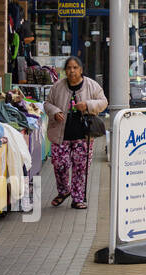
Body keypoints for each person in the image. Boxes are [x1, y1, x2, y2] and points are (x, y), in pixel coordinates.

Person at [44, 56, 108, 209]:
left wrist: (87, 104)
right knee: (60, 165)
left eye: (75, 68)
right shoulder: (57, 86)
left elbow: (103, 102)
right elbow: (47, 103)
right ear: (65, 71)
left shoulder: (91, 85)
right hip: (61, 135)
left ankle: (78, 198)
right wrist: (54, 111)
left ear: (81, 70)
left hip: (83, 136)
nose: (72, 71)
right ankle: (64, 191)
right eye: (69, 68)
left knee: (80, 168)